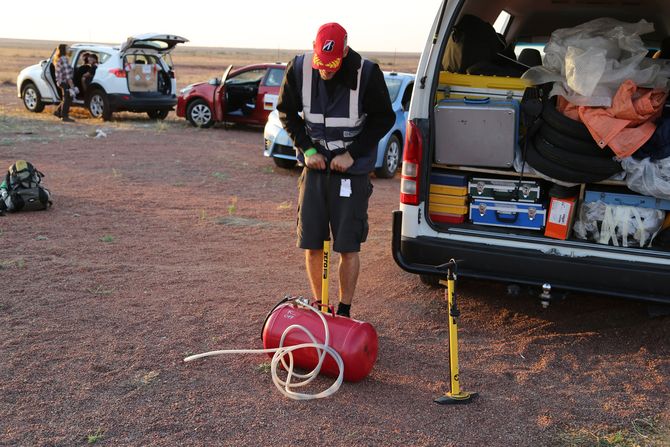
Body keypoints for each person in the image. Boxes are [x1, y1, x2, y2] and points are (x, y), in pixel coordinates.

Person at [277, 22, 394, 318]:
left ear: (345, 49)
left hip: (350, 174)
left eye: (332, 66)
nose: (326, 71)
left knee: (347, 246)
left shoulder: (367, 73)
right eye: (321, 65)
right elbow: (286, 112)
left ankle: (343, 311)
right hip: (315, 168)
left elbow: (383, 119)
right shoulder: (299, 68)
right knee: (312, 243)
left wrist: (352, 154)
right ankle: (320, 308)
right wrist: (309, 148)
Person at [53, 44, 76, 122]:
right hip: (64, 82)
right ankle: (65, 117)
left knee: (66, 98)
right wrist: (72, 86)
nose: (69, 50)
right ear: (63, 50)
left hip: (60, 81)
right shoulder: (64, 59)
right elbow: (67, 75)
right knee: (67, 99)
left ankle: (58, 112)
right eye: (67, 48)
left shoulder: (60, 58)